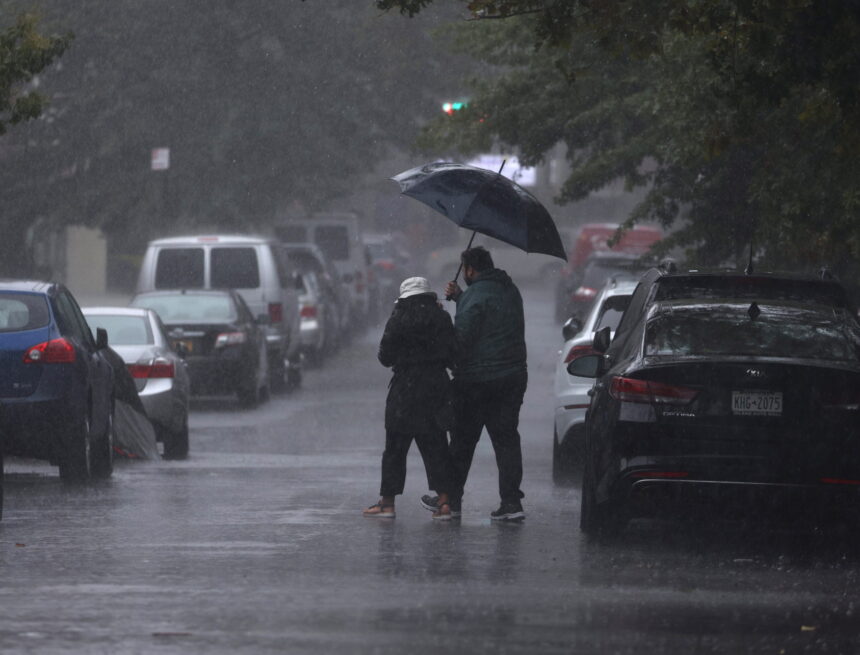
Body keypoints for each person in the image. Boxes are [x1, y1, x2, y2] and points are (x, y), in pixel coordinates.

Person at [422, 246, 528, 521]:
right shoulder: (510, 290)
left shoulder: (475, 296)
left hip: (476, 382)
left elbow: (462, 341)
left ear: (469, 269)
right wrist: (461, 297)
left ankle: (451, 500)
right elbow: (491, 316)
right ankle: (511, 503)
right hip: (512, 378)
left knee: (462, 442)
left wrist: (443, 321)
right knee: (506, 441)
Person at [363, 277, 457, 520]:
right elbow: (452, 355)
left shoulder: (399, 318)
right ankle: (444, 503)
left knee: (395, 449)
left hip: (404, 390)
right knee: (436, 446)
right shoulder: (441, 318)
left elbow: (385, 357)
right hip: (435, 389)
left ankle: (387, 504)